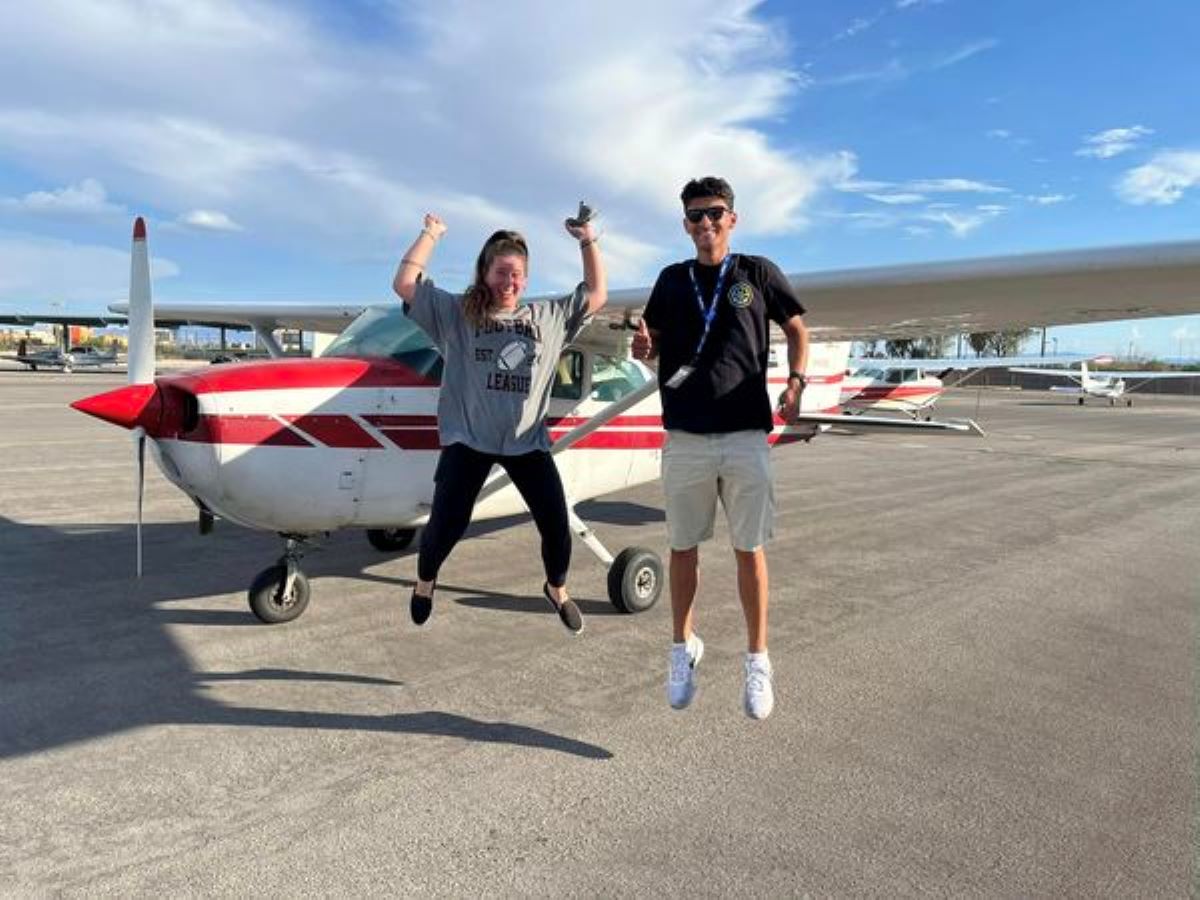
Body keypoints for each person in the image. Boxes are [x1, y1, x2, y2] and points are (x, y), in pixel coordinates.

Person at [632, 176, 809, 719]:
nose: (704, 224)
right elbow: (651, 345)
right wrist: (644, 348)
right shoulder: (670, 280)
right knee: (683, 547)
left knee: (748, 548)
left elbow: (798, 329)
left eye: (714, 213)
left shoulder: (758, 273)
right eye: (694, 216)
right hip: (685, 435)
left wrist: (797, 381)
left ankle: (758, 660)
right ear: (685, 224)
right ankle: (682, 648)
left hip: (744, 435)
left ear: (733, 218)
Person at [392, 207, 606, 634]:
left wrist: (587, 238)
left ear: (526, 279)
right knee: (444, 528)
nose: (510, 283)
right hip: (468, 441)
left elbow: (596, 294)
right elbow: (404, 284)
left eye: (517, 275)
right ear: (485, 274)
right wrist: (430, 234)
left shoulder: (547, 316)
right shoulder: (457, 313)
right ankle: (424, 581)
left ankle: (556, 588)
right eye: (502, 273)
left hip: (527, 443)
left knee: (556, 526)